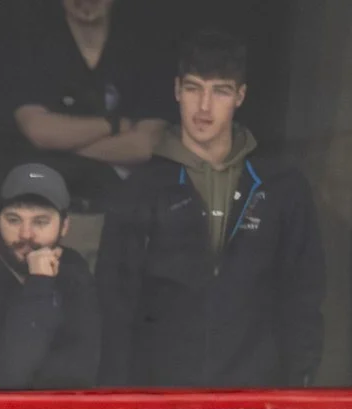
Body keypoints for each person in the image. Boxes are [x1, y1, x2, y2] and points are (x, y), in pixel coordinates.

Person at [95, 30, 322, 389]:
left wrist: (297, 389)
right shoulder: (139, 191)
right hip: (160, 400)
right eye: (193, 88)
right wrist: (118, 404)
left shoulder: (281, 187)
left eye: (220, 91)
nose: (204, 106)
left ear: (240, 96)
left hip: (257, 401)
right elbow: (115, 307)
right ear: (176, 91)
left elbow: (302, 297)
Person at [9, 0, 170, 227]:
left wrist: (60, 143)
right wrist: (114, 126)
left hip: (126, 213)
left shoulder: (145, 48)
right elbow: (37, 130)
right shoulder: (35, 46)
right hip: (45, 209)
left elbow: (144, 145)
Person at [0, 162, 98, 391]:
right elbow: (10, 374)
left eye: (41, 222)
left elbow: (78, 374)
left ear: (64, 226)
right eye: (14, 220)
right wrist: (39, 285)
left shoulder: (74, 270)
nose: (25, 234)